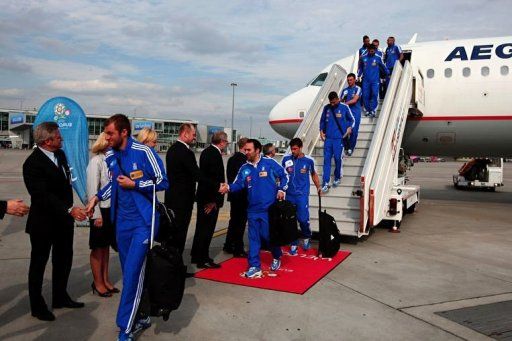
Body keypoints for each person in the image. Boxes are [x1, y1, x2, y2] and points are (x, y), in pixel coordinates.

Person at [85, 114, 168, 341]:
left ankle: (125, 328)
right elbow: (115, 184)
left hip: (143, 222)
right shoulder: (111, 154)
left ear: (124, 132)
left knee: (132, 275)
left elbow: (163, 181)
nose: (106, 137)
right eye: (105, 133)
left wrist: (136, 183)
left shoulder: (144, 152)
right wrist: (96, 198)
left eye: (110, 133)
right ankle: (141, 316)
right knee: (130, 273)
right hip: (122, 223)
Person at [23, 122, 87, 321]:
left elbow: (64, 186)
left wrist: (69, 211)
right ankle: (37, 306)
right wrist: (69, 209)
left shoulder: (60, 155)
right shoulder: (32, 163)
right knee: (38, 264)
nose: (62, 139)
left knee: (63, 260)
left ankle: (60, 296)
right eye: (58, 137)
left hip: (63, 223)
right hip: (43, 223)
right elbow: (42, 196)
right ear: (48, 141)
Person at [220, 139, 289, 278]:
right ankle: (254, 266)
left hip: (268, 210)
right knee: (253, 239)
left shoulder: (269, 163)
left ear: (257, 150)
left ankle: (276, 255)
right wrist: (228, 187)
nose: (246, 152)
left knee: (268, 237)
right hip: (252, 210)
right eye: (245, 149)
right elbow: (238, 184)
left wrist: (282, 189)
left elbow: (284, 175)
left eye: (249, 150)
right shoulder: (244, 168)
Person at [164, 124, 222, 259]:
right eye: (193, 134)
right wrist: (218, 186)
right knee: (180, 235)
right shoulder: (185, 152)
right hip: (183, 201)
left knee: (174, 234)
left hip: (172, 198)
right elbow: (197, 175)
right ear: (185, 134)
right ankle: (176, 269)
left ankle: (174, 266)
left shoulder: (172, 149)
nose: (195, 137)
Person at [190, 131, 229, 268]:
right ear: (222, 142)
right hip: (209, 199)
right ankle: (203, 258)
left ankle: (196, 255)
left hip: (204, 197)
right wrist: (213, 201)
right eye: (226, 142)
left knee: (201, 228)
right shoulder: (214, 154)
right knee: (206, 230)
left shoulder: (207, 152)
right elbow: (211, 179)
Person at [87, 132, 118, 298]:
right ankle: (97, 282)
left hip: (111, 209)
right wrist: (96, 214)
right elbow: (93, 189)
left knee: (105, 247)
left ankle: (105, 280)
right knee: (98, 248)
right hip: (100, 210)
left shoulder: (112, 160)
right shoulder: (96, 161)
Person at [281, 138, 321, 255]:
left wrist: (318, 186)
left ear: (300, 147)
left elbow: (314, 174)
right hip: (289, 195)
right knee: (290, 221)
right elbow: (280, 174)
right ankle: (293, 243)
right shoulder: (286, 159)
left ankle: (306, 236)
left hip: (302, 195)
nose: (293, 151)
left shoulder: (309, 160)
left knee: (303, 219)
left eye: (295, 149)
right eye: (292, 149)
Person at [319, 92, 355, 193]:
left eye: (334, 102)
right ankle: (325, 182)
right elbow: (322, 121)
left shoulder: (344, 107)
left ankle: (337, 177)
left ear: (338, 99)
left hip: (339, 139)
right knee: (326, 160)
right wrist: (321, 131)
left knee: (338, 159)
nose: (332, 104)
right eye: (331, 102)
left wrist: (349, 127)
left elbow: (352, 120)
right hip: (328, 139)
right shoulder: (327, 108)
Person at [223, 137, 249, 257]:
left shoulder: (232, 159)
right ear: (245, 146)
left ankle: (228, 245)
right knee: (240, 222)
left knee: (233, 221)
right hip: (242, 195)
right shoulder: (244, 161)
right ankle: (238, 248)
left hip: (233, 194)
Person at [358, 44, 389, 117]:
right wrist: (358, 75)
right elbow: (361, 68)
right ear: (368, 50)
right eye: (371, 51)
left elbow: (383, 67)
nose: (372, 52)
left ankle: (373, 110)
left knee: (374, 95)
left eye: (373, 51)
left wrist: (388, 73)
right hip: (366, 81)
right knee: (365, 96)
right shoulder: (363, 58)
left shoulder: (378, 58)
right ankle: (367, 110)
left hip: (375, 81)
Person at [340, 73, 363, 155]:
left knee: (354, 131)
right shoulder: (344, 90)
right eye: (348, 80)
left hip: (355, 113)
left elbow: (354, 100)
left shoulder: (358, 89)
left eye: (351, 80)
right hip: (346, 114)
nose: (349, 81)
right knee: (343, 131)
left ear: (354, 80)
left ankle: (351, 148)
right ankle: (346, 146)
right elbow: (340, 101)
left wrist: (345, 104)